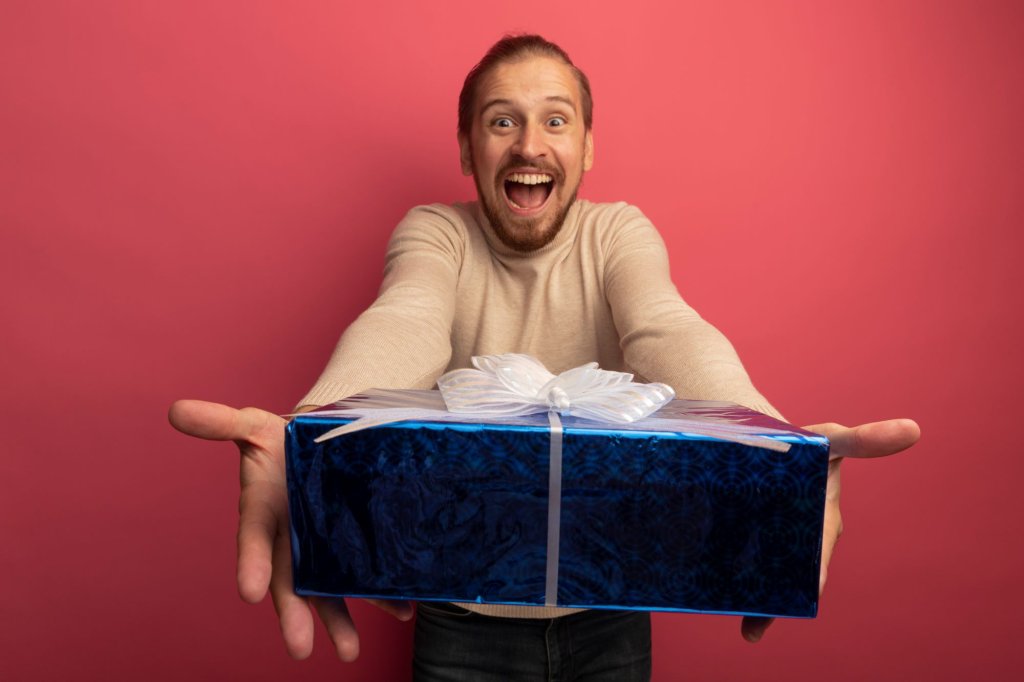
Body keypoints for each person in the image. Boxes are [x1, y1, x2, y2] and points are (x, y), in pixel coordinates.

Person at [169, 34, 920, 681]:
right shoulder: (437, 233)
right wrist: (308, 439)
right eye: (503, 122)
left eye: (555, 121)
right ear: (468, 147)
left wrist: (773, 450)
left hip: (609, 615)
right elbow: (407, 319)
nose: (530, 145)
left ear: (588, 146)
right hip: (459, 620)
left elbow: (666, 327)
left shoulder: (616, 234)